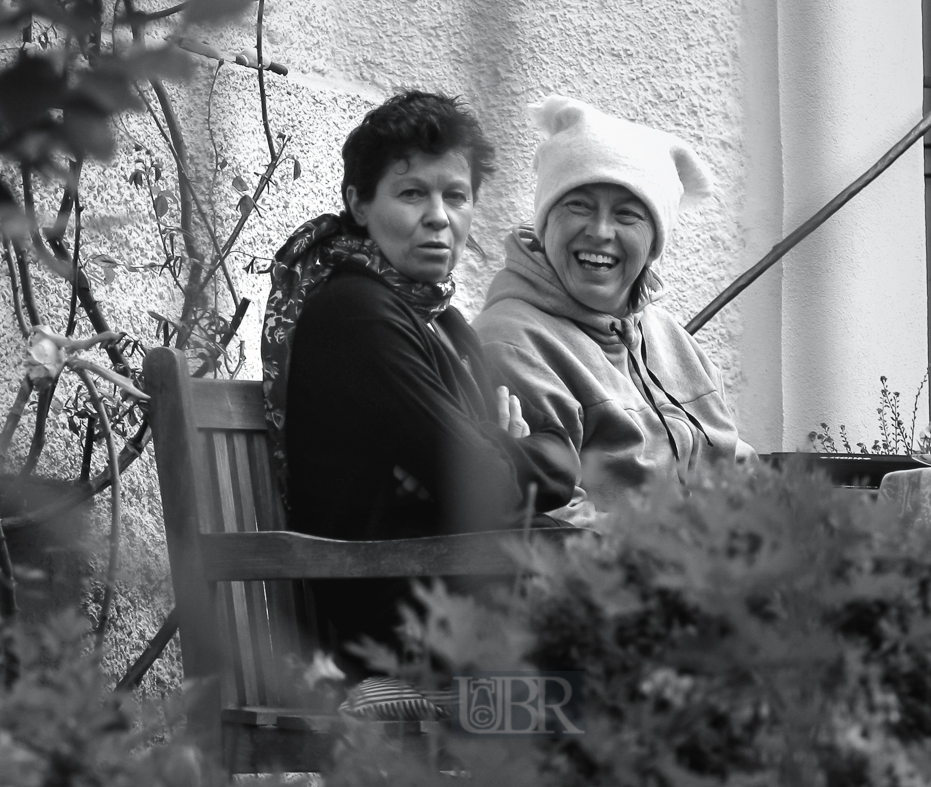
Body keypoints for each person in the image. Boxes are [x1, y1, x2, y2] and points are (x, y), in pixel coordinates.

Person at [261, 92, 577, 673]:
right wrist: (509, 449)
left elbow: (525, 467)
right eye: (412, 193)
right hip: (399, 614)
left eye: (455, 196)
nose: (439, 216)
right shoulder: (356, 312)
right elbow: (485, 479)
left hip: (458, 584)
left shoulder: (442, 321)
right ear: (358, 203)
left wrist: (492, 452)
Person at [473, 95, 755, 526]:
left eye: (627, 214)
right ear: (545, 220)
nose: (601, 232)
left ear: (654, 242)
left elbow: (737, 463)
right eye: (578, 205)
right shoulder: (510, 344)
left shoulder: (668, 336)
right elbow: (554, 522)